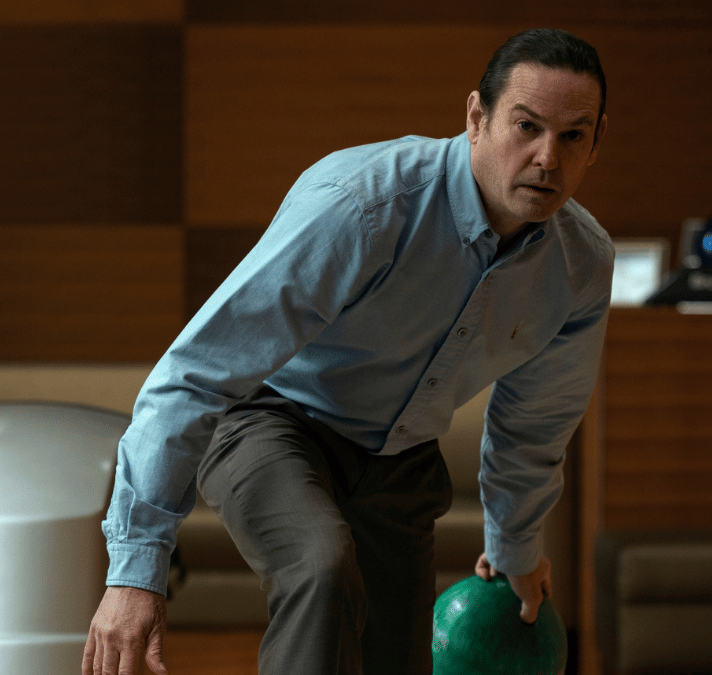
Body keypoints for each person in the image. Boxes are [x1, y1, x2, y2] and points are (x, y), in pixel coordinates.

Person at [83, 27, 612, 675]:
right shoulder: (364, 203)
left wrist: (513, 549)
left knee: (394, 660)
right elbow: (195, 373)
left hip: (400, 459)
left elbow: (534, 422)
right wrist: (136, 571)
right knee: (320, 564)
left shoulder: (580, 263)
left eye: (572, 136)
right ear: (477, 118)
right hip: (272, 422)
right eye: (526, 126)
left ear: (595, 143)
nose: (546, 158)